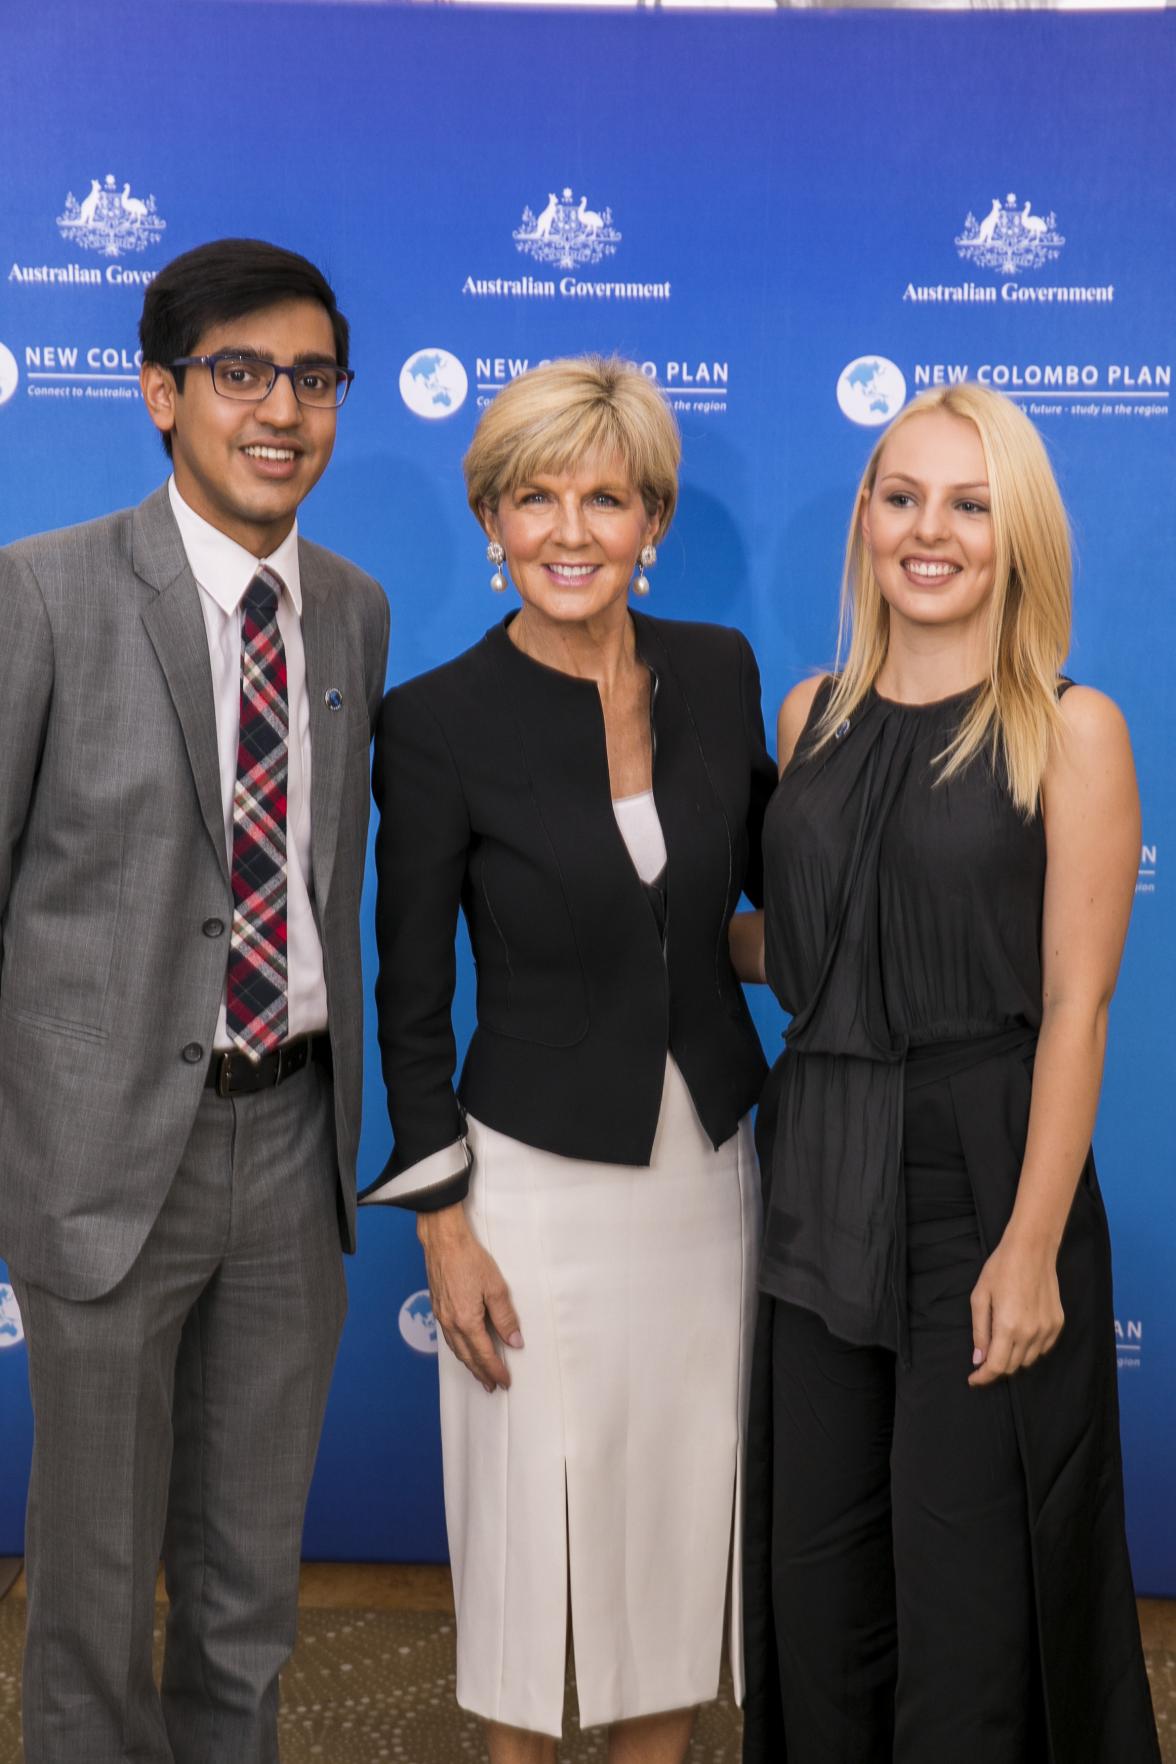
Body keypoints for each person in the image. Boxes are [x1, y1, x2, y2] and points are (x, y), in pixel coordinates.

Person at [0, 238, 389, 1764]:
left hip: (293, 1149)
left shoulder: (349, 610)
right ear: (162, 395)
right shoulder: (39, 596)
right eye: (238, 374)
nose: (279, 409)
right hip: (104, 1165)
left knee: (247, 1591)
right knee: (91, 1597)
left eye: (310, 376)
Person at [734, 382, 1160, 1763]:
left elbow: (1077, 1007)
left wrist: (1031, 1245)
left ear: (1017, 535)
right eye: (903, 496)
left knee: (973, 1598)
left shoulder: (1068, 729)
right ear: (863, 517)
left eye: (971, 506)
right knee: (818, 1580)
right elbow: (801, 957)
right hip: (817, 1171)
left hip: (983, 1176)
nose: (932, 532)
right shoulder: (812, 715)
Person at [364, 356, 775, 1764]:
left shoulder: (718, 673)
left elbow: (762, 912)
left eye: (606, 497)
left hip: (709, 1182)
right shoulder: (433, 721)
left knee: (670, 1544)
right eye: (534, 497)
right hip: (527, 1195)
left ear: (651, 521)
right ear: (492, 519)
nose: (571, 530)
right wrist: (444, 1230)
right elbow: (409, 999)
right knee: (530, 1568)